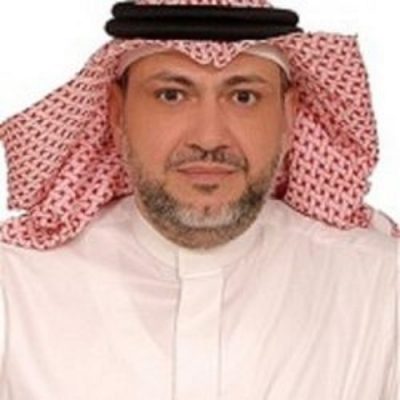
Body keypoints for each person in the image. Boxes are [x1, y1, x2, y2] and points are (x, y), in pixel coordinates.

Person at [0, 0, 398, 398]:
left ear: (289, 116)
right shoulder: (15, 289)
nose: (209, 138)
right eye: (171, 95)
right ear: (117, 114)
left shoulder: (381, 289)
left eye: (243, 97)